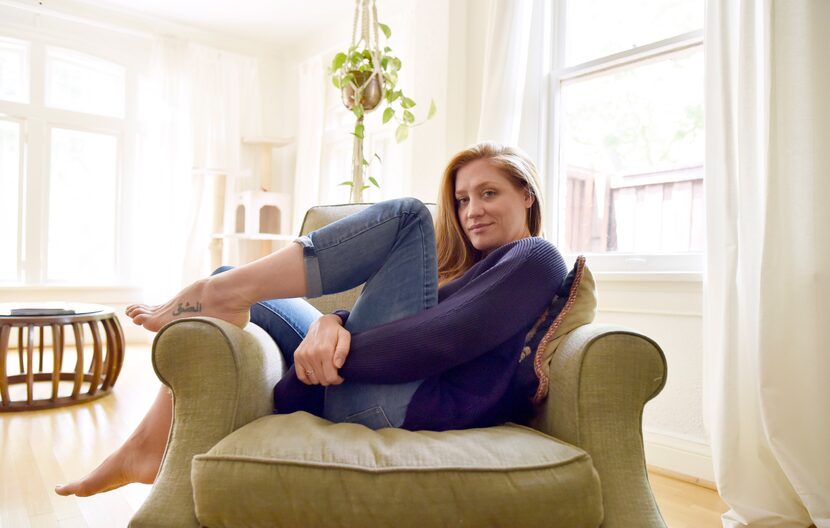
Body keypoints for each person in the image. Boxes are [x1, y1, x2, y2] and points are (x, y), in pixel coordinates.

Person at [55, 142, 568, 497]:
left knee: (409, 215)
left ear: (527, 195)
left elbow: (439, 340)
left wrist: (334, 349)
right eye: (461, 199)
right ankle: (147, 447)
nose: (471, 210)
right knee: (235, 275)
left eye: (488, 193)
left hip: (409, 406)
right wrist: (333, 323)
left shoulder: (536, 258)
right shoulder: (471, 269)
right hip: (376, 385)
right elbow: (416, 321)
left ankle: (217, 293)